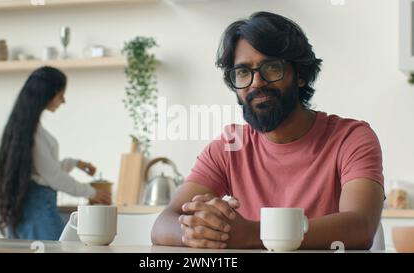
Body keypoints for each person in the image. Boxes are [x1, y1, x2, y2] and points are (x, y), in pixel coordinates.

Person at [151, 11, 384, 250]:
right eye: (243, 72)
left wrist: (252, 235)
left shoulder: (351, 138)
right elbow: (163, 224)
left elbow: (361, 227)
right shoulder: (229, 146)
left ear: (300, 75)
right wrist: (199, 233)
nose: (256, 82)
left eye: (271, 68)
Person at [0, 66, 111, 240]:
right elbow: (53, 177)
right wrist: (92, 192)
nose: (63, 101)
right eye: (61, 94)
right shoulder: (34, 135)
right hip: (39, 213)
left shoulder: (25, 131)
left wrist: (75, 163)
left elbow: (43, 170)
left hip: (29, 212)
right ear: (47, 94)